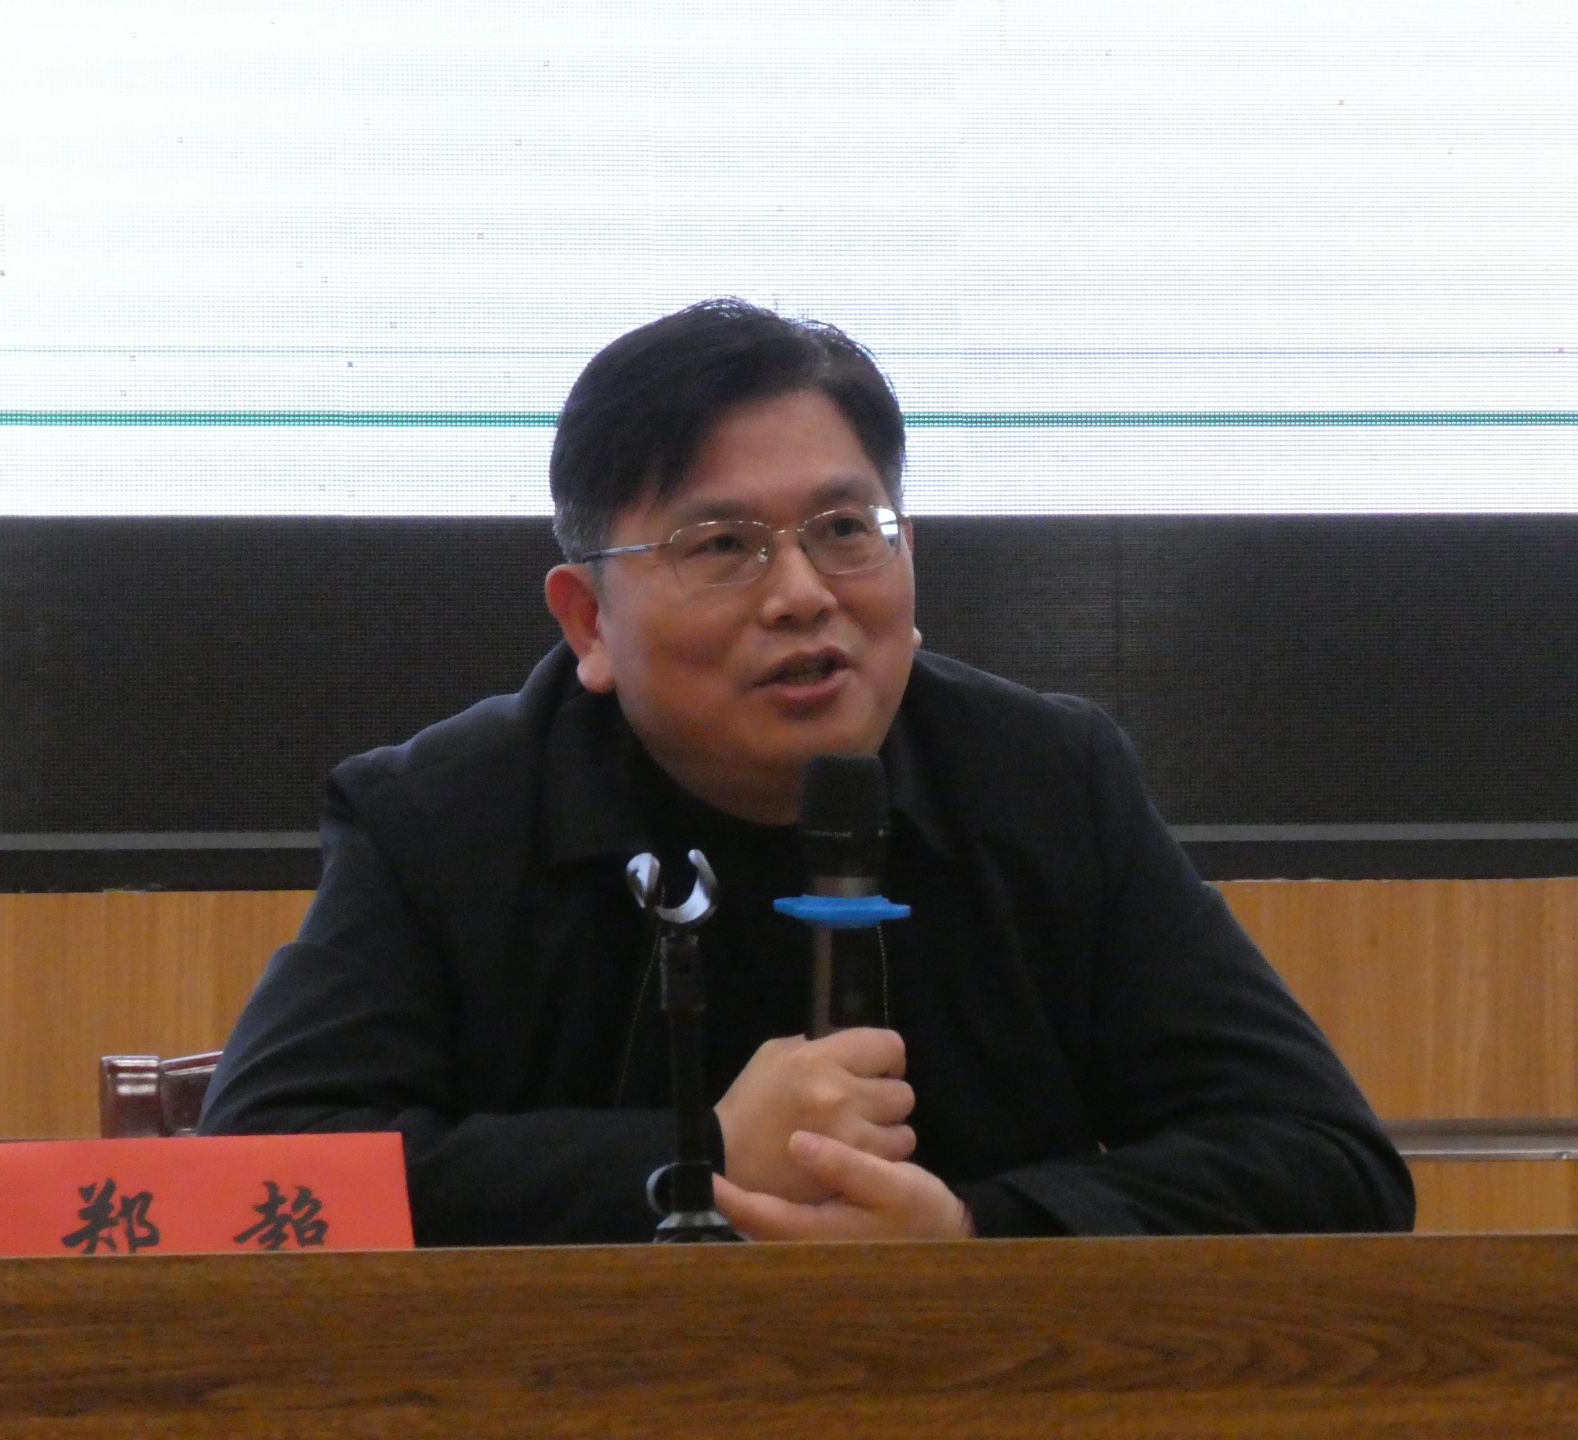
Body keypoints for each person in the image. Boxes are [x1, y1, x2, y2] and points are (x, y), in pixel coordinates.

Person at [200, 298, 1415, 1245]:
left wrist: (976, 1236)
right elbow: (254, 1180)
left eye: (843, 531)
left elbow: (1329, 1163)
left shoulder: (1046, 784)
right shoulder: (440, 818)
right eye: (721, 545)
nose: (801, 594)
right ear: (588, 623)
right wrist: (700, 1154)